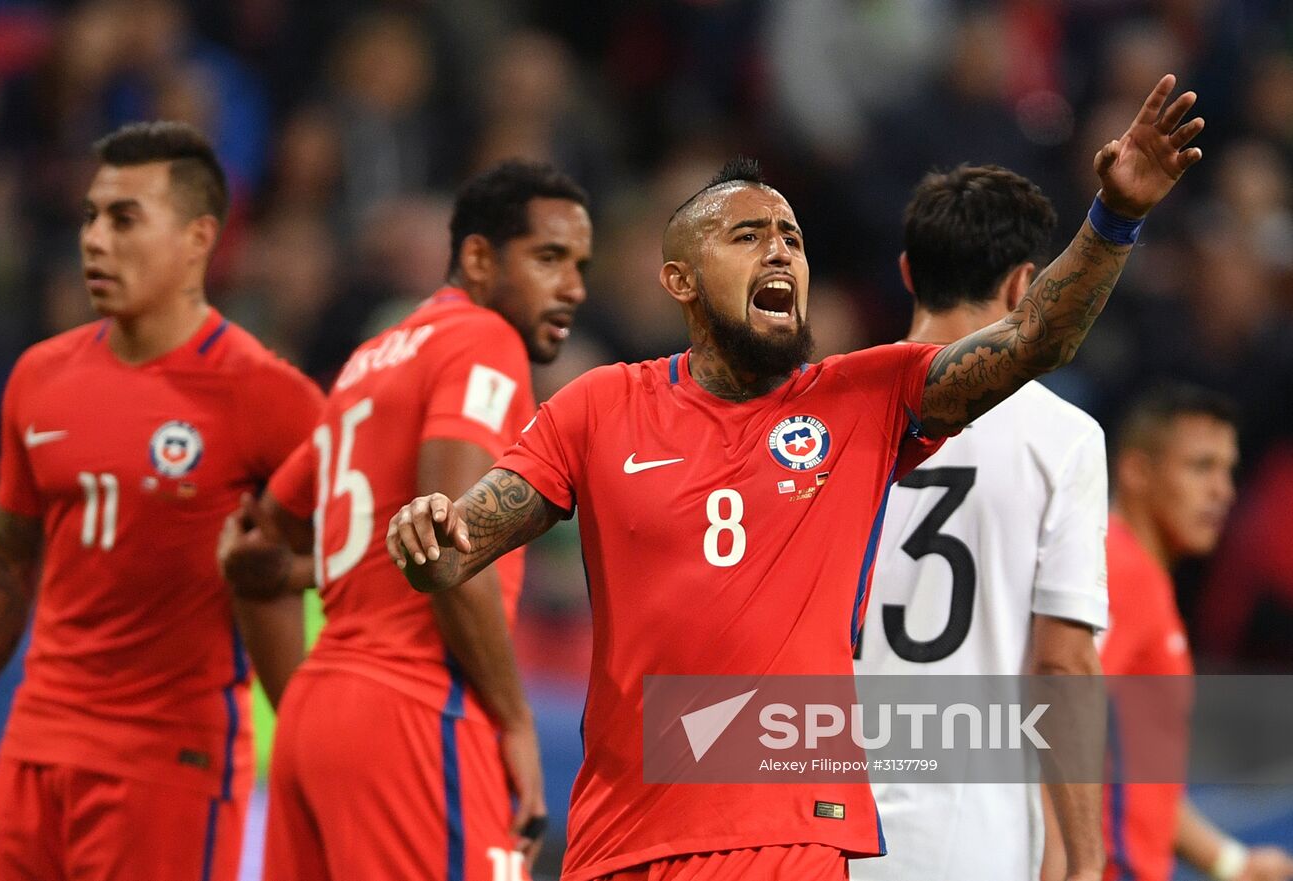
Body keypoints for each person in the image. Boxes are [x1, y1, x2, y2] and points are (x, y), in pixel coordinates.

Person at [387, 75, 1202, 880]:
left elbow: (1034, 339)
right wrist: (430, 535)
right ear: (680, 279)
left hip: (788, 838)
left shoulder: (863, 397)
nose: (781, 248)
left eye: (793, 237)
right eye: (747, 235)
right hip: (622, 838)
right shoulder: (600, 406)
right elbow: (460, 544)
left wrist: (1117, 216)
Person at [0, 121, 324, 881]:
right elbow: (6, 563)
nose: (96, 238)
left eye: (125, 218)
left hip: (170, 763)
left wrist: (286, 575)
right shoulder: (40, 377)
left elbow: (362, 545)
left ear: (199, 238)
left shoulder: (269, 397)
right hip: (37, 748)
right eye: (91, 216)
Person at [217, 159, 592, 881]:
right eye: (549, 258)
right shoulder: (485, 340)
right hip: (421, 713)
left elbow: (253, 559)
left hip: (318, 720)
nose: (573, 286)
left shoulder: (370, 359)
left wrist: (305, 707)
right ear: (478, 257)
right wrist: (515, 720)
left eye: (580, 264)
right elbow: (452, 545)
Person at [853, 164, 1107, 881]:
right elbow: (1060, 663)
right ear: (1025, 284)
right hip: (968, 835)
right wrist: (1087, 858)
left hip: (813, 818)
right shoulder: (1062, 437)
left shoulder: (817, 415)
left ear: (908, 272)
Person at [1102, 387, 1293, 881]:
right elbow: (1053, 723)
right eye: (1201, 467)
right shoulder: (1121, 571)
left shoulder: (1140, 576)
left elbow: (1141, 781)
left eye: (1228, 470)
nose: (1223, 490)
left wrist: (1230, 863)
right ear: (1137, 472)